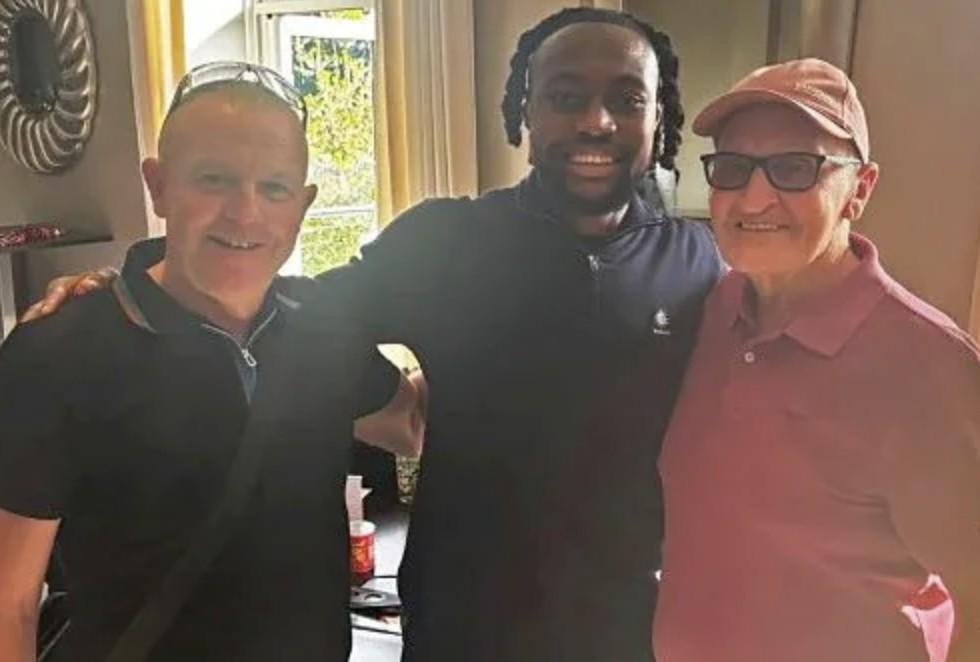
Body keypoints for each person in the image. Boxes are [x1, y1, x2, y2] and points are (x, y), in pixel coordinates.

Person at [30, 9, 723, 661]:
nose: (596, 121)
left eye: (628, 99)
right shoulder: (448, 242)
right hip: (464, 630)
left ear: (658, 116)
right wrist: (128, 284)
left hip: (634, 630)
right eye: (566, 97)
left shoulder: (701, 265)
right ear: (526, 111)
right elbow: (280, 303)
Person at [0, 63, 421, 662]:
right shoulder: (57, 351)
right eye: (214, 180)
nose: (245, 213)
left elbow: (412, 423)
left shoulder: (323, 327)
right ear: (158, 186)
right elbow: (9, 601)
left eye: (274, 188)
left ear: (303, 206)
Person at [653, 58, 980, 662]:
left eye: (795, 168)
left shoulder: (928, 368)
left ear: (860, 188)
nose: (755, 197)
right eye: (733, 167)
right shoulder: (718, 307)